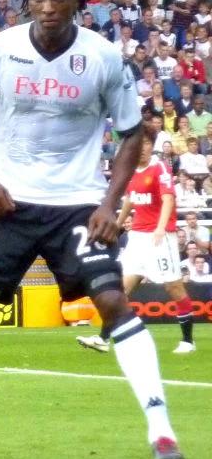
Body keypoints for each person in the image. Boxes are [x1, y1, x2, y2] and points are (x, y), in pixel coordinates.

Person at [0, 0, 184, 459]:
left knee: (111, 301)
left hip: (78, 205)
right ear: (26, 0)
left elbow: (132, 133)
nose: (47, 7)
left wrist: (110, 203)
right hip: (9, 202)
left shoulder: (104, 57)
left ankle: (162, 431)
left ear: (77, 2)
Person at [77, 133, 196, 355]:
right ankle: (103, 339)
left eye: (147, 144)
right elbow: (130, 200)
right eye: (139, 145)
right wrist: (117, 225)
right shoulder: (131, 170)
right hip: (138, 238)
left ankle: (188, 340)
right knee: (120, 290)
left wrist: (161, 228)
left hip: (160, 237)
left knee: (174, 287)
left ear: (152, 146)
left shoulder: (159, 168)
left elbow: (168, 199)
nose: (142, 148)